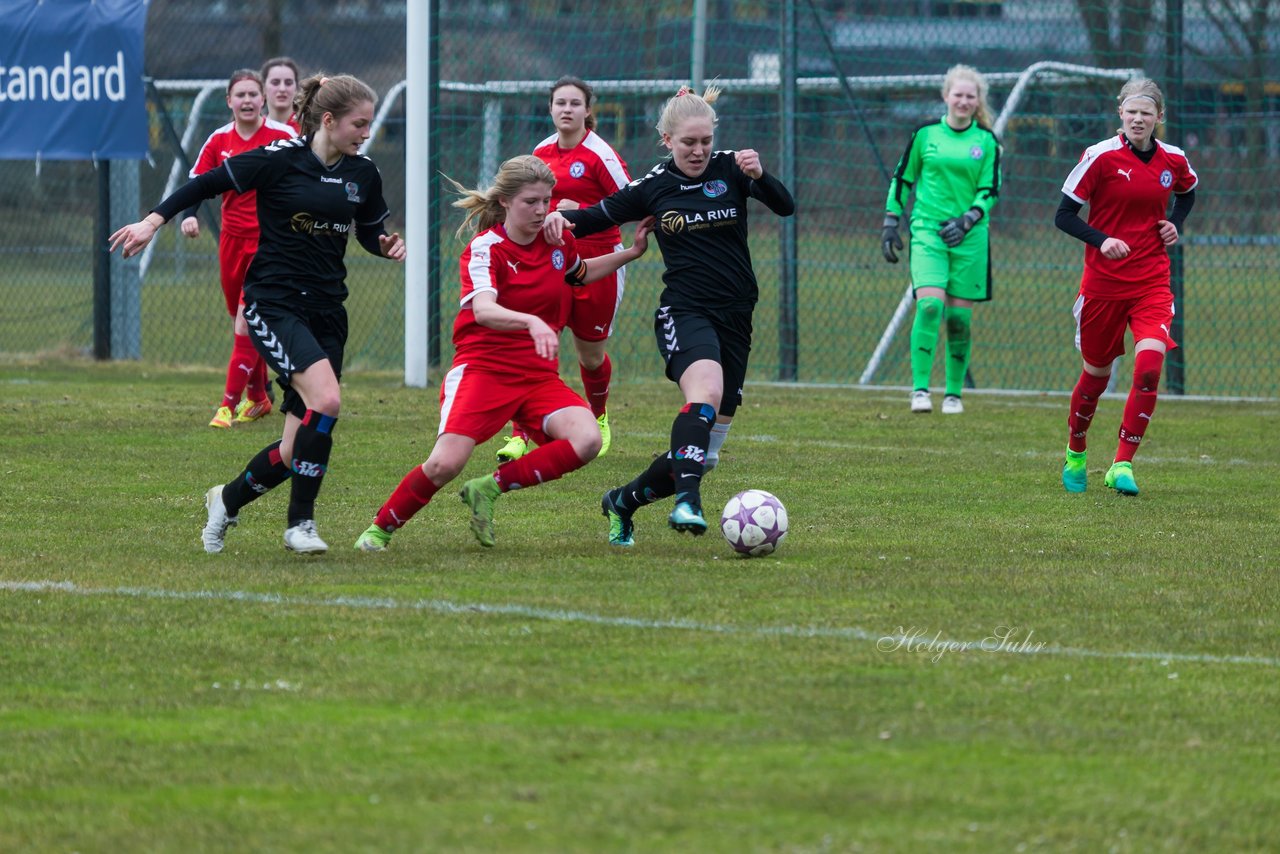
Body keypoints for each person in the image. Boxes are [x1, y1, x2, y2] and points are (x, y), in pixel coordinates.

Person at [110, 74, 406, 554]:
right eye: (359, 123)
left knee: (293, 451)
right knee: (326, 402)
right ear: (329, 120)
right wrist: (151, 222)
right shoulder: (278, 160)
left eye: (369, 124)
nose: (366, 133)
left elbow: (370, 231)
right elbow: (203, 184)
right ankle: (300, 524)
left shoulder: (363, 172)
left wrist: (385, 245)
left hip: (329, 312)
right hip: (275, 303)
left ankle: (225, 500)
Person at [353, 155, 652, 552]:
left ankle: (487, 490)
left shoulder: (558, 239)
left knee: (587, 439)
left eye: (547, 200)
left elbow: (578, 273)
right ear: (506, 202)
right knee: (445, 464)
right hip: (483, 370)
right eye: (531, 201)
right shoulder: (486, 247)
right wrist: (530, 322)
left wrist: (630, 254)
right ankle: (380, 528)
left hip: (537, 377)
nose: (542, 210)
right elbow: (483, 309)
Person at [543, 84, 795, 547]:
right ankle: (688, 502)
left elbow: (785, 206)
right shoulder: (655, 185)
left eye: (705, 141)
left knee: (706, 453)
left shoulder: (731, 168)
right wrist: (557, 218)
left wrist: (760, 176)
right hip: (686, 310)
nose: (699, 151)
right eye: (688, 143)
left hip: (737, 315)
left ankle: (622, 501)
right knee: (705, 393)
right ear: (667, 140)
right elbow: (599, 216)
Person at [1055, 78, 1197, 496]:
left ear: (1159, 118)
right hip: (1103, 285)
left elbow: (1187, 193)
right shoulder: (1098, 156)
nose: (1138, 119)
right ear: (1120, 113)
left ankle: (1121, 464)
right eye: (1132, 111)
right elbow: (1063, 215)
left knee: (1150, 366)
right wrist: (1102, 240)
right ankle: (1076, 449)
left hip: (1152, 280)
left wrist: (1176, 223)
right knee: (1096, 377)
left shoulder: (1174, 159)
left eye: (1147, 113)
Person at [495, 75, 634, 464]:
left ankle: (599, 416)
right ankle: (520, 433)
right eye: (560, 103)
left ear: (588, 111)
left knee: (589, 356)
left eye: (575, 103)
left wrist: (582, 215)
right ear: (551, 108)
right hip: (552, 258)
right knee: (536, 343)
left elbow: (631, 201)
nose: (567, 110)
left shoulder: (600, 155)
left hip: (597, 259)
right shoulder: (541, 151)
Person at [881, 64, 1001, 415]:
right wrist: (891, 221)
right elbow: (902, 178)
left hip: (970, 237)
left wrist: (968, 219)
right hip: (928, 232)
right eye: (958, 94)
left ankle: (953, 394)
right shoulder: (925, 135)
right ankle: (920, 390)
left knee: (959, 320)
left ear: (977, 101)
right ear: (946, 96)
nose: (963, 101)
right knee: (930, 305)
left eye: (970, 96)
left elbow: (990, 189)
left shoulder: (986, 141)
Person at [182, 69, 296, 429]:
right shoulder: (219, 140)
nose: (247, 100)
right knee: (243, 321)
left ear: (263, 100)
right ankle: (259, 398)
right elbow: (198, 182)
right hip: (231, 242)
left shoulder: (283, 135)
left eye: (252, 94)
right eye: (240, 95)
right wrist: (190, 216)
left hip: (269, 243)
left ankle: (227, 406)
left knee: (247, 320)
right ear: (229, 101)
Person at [260, 57, 301, 134]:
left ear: (297, 88)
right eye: (275, 82)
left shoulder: (307, 127)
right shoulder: (255, 129)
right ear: (263, 88)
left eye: (288, 83)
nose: (282, 89)